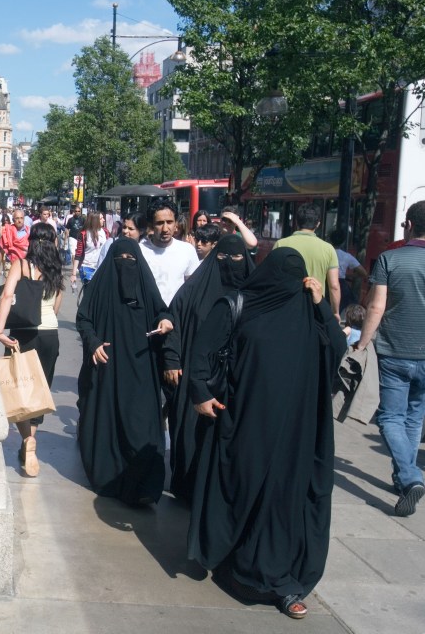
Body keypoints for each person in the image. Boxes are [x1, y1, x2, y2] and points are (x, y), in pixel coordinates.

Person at [188, 248, 346, 619]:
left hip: (296, 430)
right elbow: (203, 348)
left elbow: (336, 350)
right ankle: (235, 560)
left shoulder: (309, 311)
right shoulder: (238, 304)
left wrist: (323, 305)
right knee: (245, 492)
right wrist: (200, 393)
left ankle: (279, 581)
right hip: (245, 423)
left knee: (282, 500)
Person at [75, 238, 173, 506]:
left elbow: (161, 311)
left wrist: (165, 321)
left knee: (142, 423)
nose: (126, 266)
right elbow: (83, 318)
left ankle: (144, 486)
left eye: (131, 261)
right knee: (110, 420)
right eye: (121, 261)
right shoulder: (100, 287)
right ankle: (111, 478)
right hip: (108, 366)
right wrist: (93, 342)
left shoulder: (145, 285)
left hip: (142, 365)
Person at [162, 235, 254, 502]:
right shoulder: (195, 289)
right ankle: (188, 489)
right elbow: (174, 318)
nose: (230, 264)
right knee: (188, 433)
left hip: (236, 378)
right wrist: (172, 359)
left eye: (237, 259)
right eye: (223, 258)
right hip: (195, 372)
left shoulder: (253, 293)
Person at [354, 202, 425, 516]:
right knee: (414, 416)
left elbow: (376, 307)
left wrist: (362, 342)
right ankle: (403, 477)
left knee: (390, 418)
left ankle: (410, 477)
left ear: (408, 224)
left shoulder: (389, 259)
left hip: (393, 351)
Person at [0, 223, 64, 477]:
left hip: (24, 333)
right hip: (50, 334)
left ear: (30, 241)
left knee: (19, 387)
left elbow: (7, 296)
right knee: (39, 390)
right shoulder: (55, 269)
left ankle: (27, 440)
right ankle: (32, 441)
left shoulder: (22, 265)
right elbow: (57, 302)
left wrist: (0, 331)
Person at [273, 204, 340, 318]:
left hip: (286, 306)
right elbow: (334, 286)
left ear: (297, 222)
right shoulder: (328, 249)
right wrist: (335, 312)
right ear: (318, 223)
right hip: (316, 307)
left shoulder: (280, 244)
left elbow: (272, 277)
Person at [138, 202, 201, 307]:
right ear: (151, 225)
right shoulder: (140, 251)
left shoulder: (187, 250)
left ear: (176, 223)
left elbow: (193, 287)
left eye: (169, 222)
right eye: (160, 223)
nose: (165, 229)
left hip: (177, 315)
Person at [329, 229, 368, 313]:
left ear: (330, 240)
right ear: (343, 242)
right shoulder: (346, 256)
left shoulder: (325, 253)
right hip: (341, 284)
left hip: (325, 282)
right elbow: (364, 273)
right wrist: (348, 276)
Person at [70, 212, 110, 286]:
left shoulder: (105, 232)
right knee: (89, 292)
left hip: (101, 266)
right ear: (95, 221)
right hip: (87, 267)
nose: (104, 220)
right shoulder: (84, 234)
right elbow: (78, 253)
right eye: (101, 218)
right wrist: (74, 274)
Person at [0, 208, 30, 281]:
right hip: (10, 265)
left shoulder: (29, 232)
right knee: (10, 290)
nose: (19, 220)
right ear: (13, 220)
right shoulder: (7, 231)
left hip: (25, 265)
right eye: (17, 218)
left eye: (21, 218)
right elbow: (1, 252)